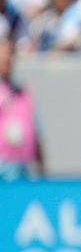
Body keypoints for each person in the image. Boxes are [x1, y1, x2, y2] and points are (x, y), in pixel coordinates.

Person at [0, 36, 44, 180]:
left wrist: (43, 167)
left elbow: (36, 132)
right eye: (3, 54)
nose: (7, 59)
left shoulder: (22, 93)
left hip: (23, 169)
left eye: (10, 54)